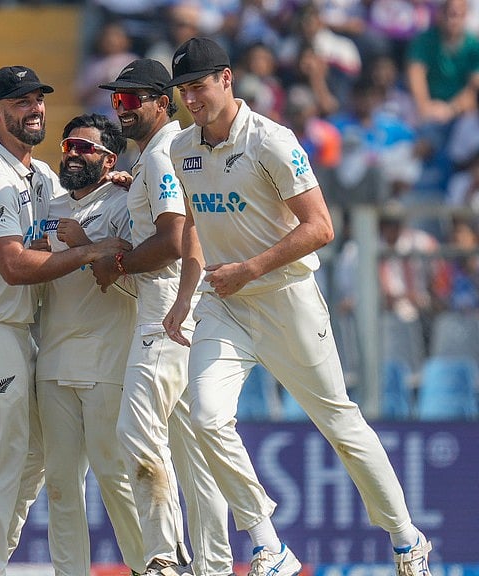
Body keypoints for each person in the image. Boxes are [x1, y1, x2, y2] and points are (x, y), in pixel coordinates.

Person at [161, 37, 432, 576]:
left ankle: (406, 539)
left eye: (199, 86)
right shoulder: (180, 150)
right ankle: (269, 545)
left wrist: (250, 270)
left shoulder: (271, 142)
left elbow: (322, 227)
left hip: (286, 301)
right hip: (225, 307)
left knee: (339, 421)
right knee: (206, 419)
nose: (191, 99)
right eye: (183, 90)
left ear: (227, 79)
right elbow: (194, 226)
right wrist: (185, 296)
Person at [0, 65, 129, 575]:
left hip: (21, 334)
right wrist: (91, 253)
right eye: (20, 102)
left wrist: (111, 185)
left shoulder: (41, 174)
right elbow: (14, 266)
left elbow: (71, 210)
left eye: (39, 100)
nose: (35, 109)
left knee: (31, 463)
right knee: (9, 463)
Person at [92, 58, 234, 576]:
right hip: (191, 312)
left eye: (132, 101)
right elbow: (181, 218)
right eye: (116, 101)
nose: (122, 110)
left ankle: (162, 559)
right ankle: (215, 566)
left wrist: (117, 262)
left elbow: (174, 239)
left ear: (161, 102)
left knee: (137, 432)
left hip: (164, 316)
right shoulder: (166, 153)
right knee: (196, 457)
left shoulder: (161, 154)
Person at [37, 112, 144, 576]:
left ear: (109, 158)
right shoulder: (51, 208)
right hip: (54, 360)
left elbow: (139, 282)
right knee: (60, 486)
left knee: (116, 479)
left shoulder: (123, 202)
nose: (74, 154)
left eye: (85, 148)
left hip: (108, 361)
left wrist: (86, 245)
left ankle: (152, 567)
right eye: (68, 146)